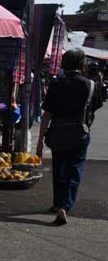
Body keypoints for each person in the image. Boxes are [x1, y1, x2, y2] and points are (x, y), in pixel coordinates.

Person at [36, 48, 102, 226]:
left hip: (57, 134)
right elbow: (93, 113)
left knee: (59, 169)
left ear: (64, 64)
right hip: (79, 134)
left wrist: (39, 143)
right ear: (82, 65)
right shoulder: (91, 85)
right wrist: (86, 127)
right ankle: (64, 206)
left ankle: (58, 203)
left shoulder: (56, 85)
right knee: (74, 170)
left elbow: (46, 115)